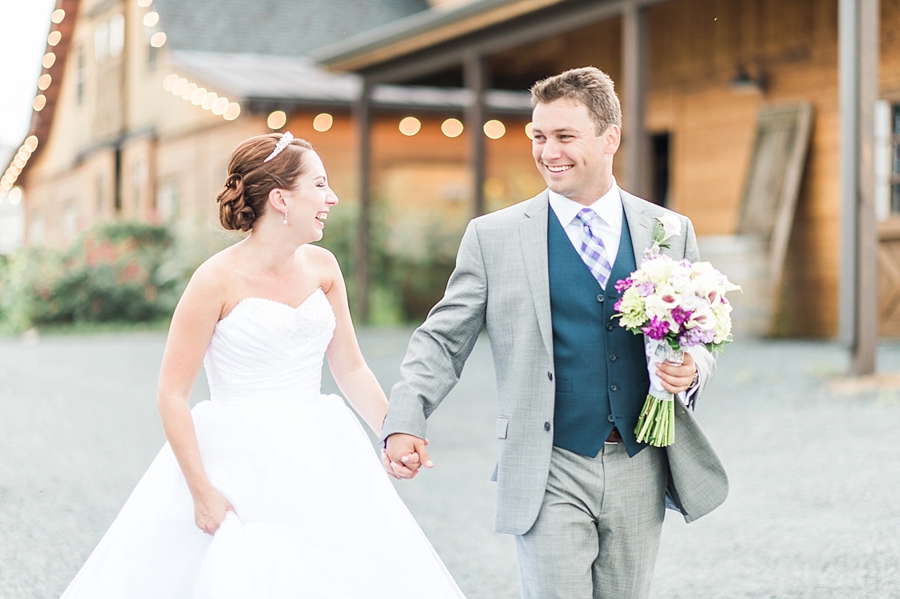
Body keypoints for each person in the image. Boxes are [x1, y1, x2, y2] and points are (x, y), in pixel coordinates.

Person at [60, 132, 465, 598]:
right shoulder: (214, 280)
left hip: (319, 451)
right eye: (319, 185)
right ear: (280, 198)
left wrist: (392, 432)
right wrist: (201, 492)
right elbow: (171, 394)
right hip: (235, 459)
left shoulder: (324, 268)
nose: (331, 198)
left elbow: (350, 367)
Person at [382, 67, 728, 599]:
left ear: (609, 138)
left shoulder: (668, 230)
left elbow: (699, 335)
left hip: (641, 461)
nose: (548, 152)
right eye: (539, 137)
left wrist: (692, 369)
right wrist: (406, 417)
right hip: (549, 464)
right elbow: (443, 338)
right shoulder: (493, 236)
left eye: (565, 136)